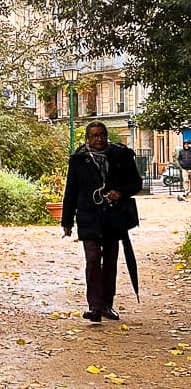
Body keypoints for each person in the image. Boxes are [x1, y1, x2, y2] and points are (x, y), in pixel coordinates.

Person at [61, 121, 143, 322]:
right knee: (92, 259)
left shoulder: (120, 155)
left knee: (110, 262)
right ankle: (94, 307)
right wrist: (67, 220)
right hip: (88, 216)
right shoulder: (78, 159)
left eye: (102, 135)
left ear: (106, 136)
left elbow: (136, 183)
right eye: (94, 136)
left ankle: (107, 304)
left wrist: (120, 192)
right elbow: (71, 190)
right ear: (88, 138)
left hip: (113, 217)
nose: (99, 139)